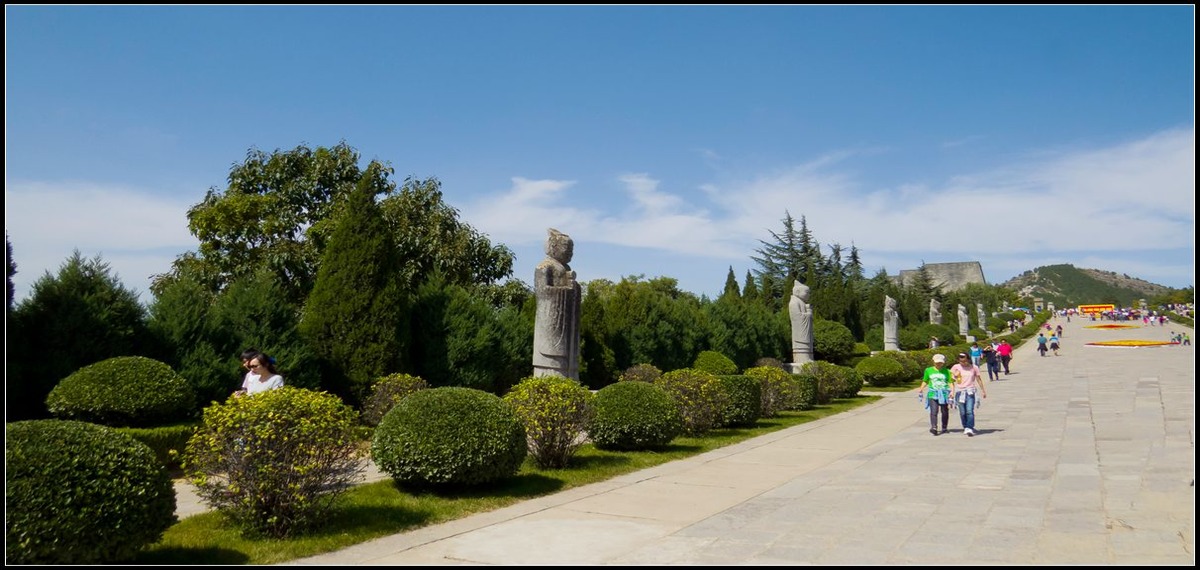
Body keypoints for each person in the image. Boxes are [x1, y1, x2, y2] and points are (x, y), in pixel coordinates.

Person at [950, 352, 987, 436]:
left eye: (964, 361)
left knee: (969, 410)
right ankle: (965, 426)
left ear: (968, 359)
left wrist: (983, 390)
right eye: (961, 361)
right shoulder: (956, 367)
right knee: (962, 412)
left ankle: (969, 427)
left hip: (970, 391)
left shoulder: (974, 367)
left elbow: (978, 379)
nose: (963, 363)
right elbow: (951, 380)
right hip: (959, 391)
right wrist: (955, 376)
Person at [919, 353, 954, 436]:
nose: (939, 364)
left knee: (944, 411)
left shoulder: (947, 371)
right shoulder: (928, 370)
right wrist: (921, 388)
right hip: (933, 392)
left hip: (944, 393)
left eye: (940, 363)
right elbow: (925, 380)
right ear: (933, 362)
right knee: (934, 411)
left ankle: (944, 427)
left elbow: (950, 382)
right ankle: (934, 427)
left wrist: (952, 391)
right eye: (937, 362)